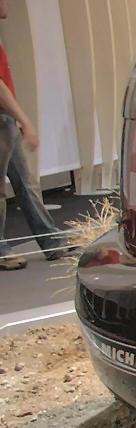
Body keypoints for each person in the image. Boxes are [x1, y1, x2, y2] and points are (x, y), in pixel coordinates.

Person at [0, 0, 67, 270]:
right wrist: (25, 120)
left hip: (5, 120)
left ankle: (51, 240)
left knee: (26, 182)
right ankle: (1, 250)